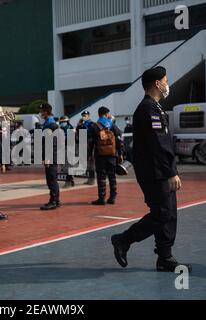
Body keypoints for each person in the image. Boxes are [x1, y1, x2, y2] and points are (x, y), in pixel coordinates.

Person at [110, 66, 192, 273]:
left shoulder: (155, 108)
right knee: (162, 214)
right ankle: (123, 240)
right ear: (157, 83)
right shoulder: (148, 109)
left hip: (159, 171)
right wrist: (171, 171)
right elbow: (159, 143)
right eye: (165, 80)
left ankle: (165, 258)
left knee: (169, 214)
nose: (167, 84)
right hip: (155, 173)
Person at [90, 107, 123, 205]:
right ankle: (112, 197)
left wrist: (89, 155)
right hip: (112, 154)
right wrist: (120, 153)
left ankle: (101, 198)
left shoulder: (94, 126)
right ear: (106, 114)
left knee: (101, 177)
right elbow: (118, 139)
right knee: (112, 176)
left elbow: (90, 142)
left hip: (100, 155)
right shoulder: (112, 124)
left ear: (99, 114)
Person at [39, 103, 61, 211]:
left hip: (51, 154)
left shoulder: (51, 125)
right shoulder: (48, 123)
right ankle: (56, 200)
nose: (41, 113)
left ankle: (53, 201)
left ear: (46, 112)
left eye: (42, 111)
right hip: (51, 154)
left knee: (51, 179)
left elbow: (50, 143)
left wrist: (46, 157)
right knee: (52, 178)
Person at [76, 111, 96, 185]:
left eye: (86, 115)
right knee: (87, 163)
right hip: (84, 145)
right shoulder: (82, 124)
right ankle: (89, 178)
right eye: (83, 115)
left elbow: (91, 134)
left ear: (89, 116)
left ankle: (92, 179)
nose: (84, 116)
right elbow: (78, 133)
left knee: (91, 162)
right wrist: (79, 125)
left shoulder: (92, 124)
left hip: (90, 145)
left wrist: (83, 127)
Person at [59, 116, 75, 188]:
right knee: (64, 166)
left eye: (64, 122)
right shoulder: (60, 129)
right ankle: (71, 179)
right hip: (62, 148)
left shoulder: (71, 129)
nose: (62, 123)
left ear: (67, 122)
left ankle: (68, 182)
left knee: (68, 165)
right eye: (61, 122)